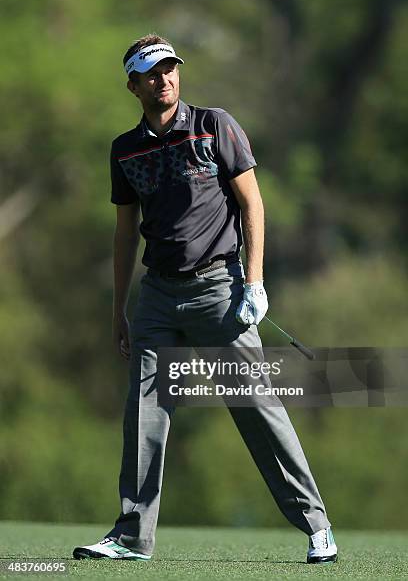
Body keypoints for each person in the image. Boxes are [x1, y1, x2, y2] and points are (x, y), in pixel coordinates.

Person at [73, 34, 337, 564]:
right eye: (151, 73)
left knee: (257, 408)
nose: (164, 78)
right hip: (157, 296)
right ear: (133, 85)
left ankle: (316, 525)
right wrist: (118, 309)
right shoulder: (125, 150)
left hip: (221, 289)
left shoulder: (215, 126)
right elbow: (126, 233)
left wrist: (256, 283)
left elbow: (252, 202)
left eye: (170, 69)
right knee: (144, 414)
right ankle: (131, 536)